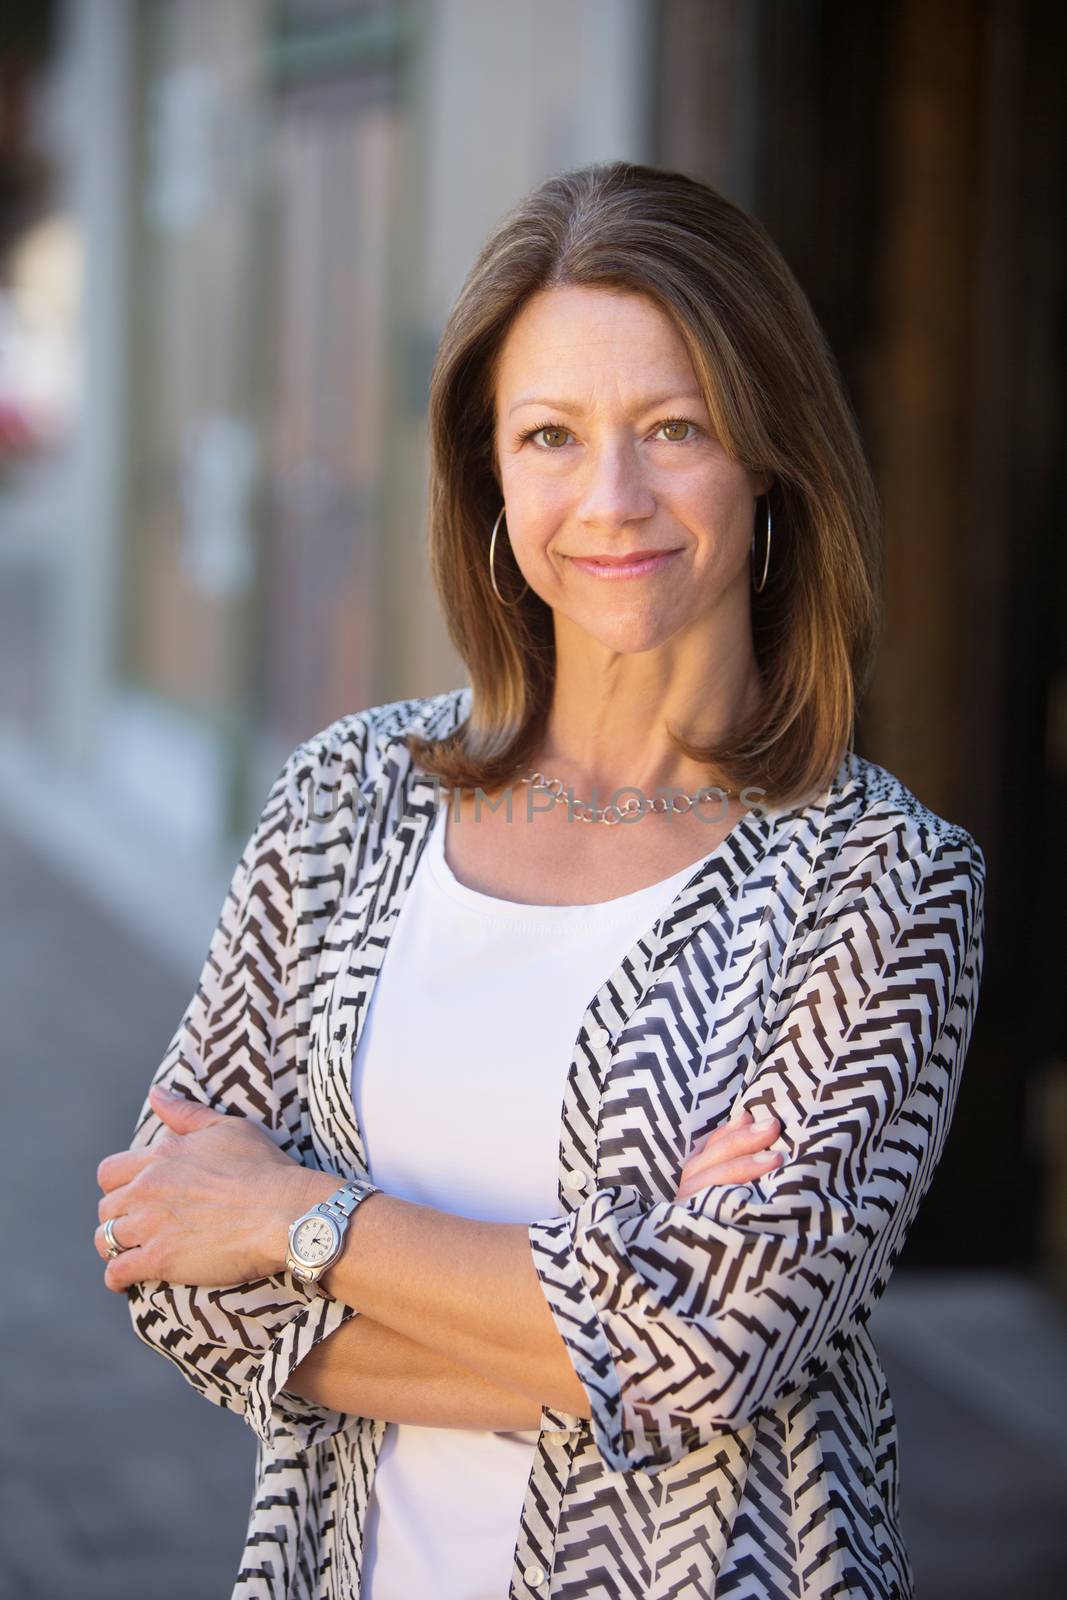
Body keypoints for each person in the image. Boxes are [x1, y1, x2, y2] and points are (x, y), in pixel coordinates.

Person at [93, 160, 985, 1600]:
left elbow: (720, 1346)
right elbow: (168, 1262)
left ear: (768, 451)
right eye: (552, 436)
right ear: (489, 473)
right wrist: (616, 1322)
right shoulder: (346, 798)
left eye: (675, 427)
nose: (612, 499)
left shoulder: (881, 883)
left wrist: (296, 1220)